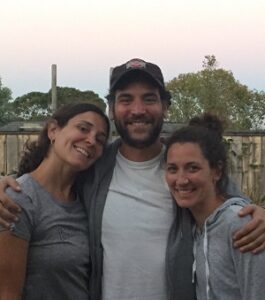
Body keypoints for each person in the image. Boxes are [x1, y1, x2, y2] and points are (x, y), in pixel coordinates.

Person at [0, 58, 265, 300]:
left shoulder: (182, 168)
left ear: (165, 107)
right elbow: (48, 179)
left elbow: (226, 206)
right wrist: (9, 184)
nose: (138, 109)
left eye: (149, 99)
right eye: (126, 99)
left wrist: (257, 213)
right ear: (113, 109)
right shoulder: (93, 167)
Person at [0, 102, 110, 299]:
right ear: (53, 130)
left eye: (101, 140)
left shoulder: (89, 201)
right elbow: (7, 294)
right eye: (83, 128)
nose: (92, 140)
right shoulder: (18, 199)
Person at [164, 113, 265, 299]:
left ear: (217, 171)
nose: (181, 180)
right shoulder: (193, 228)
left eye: (193, 168)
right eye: (172, 169)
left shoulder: (242, 226)